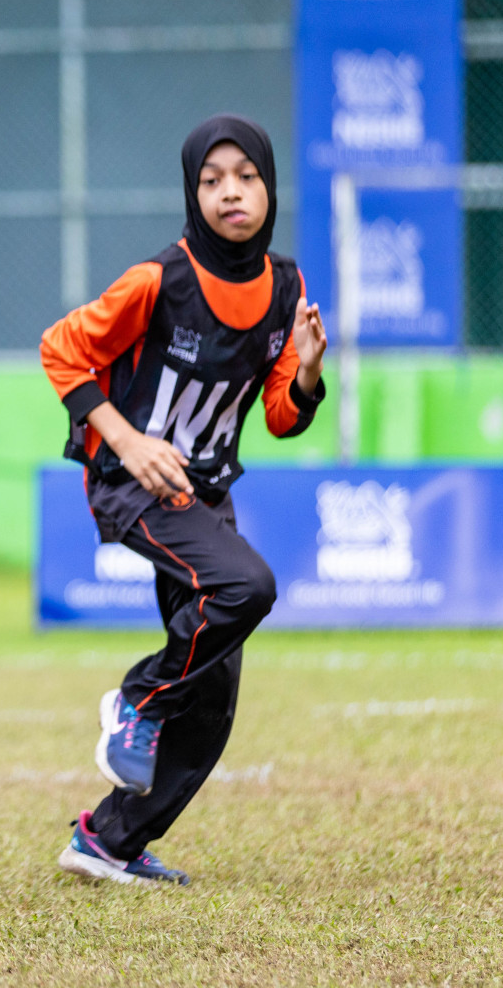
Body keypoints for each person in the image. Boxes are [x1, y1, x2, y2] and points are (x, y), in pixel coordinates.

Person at [39, 114, 327, 886]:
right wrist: (127, 441)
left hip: (203, 491)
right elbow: (62, 350)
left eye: (247, 176)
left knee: (214, 698)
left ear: (269, 185)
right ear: (191, 192)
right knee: (246, 585)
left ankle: (108, 839)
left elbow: (278, 416)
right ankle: (137, 699)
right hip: (133, 482)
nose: (231, 192)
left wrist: (302, 372)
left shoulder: (287, 286)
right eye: (212, 179)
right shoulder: (156, 280)